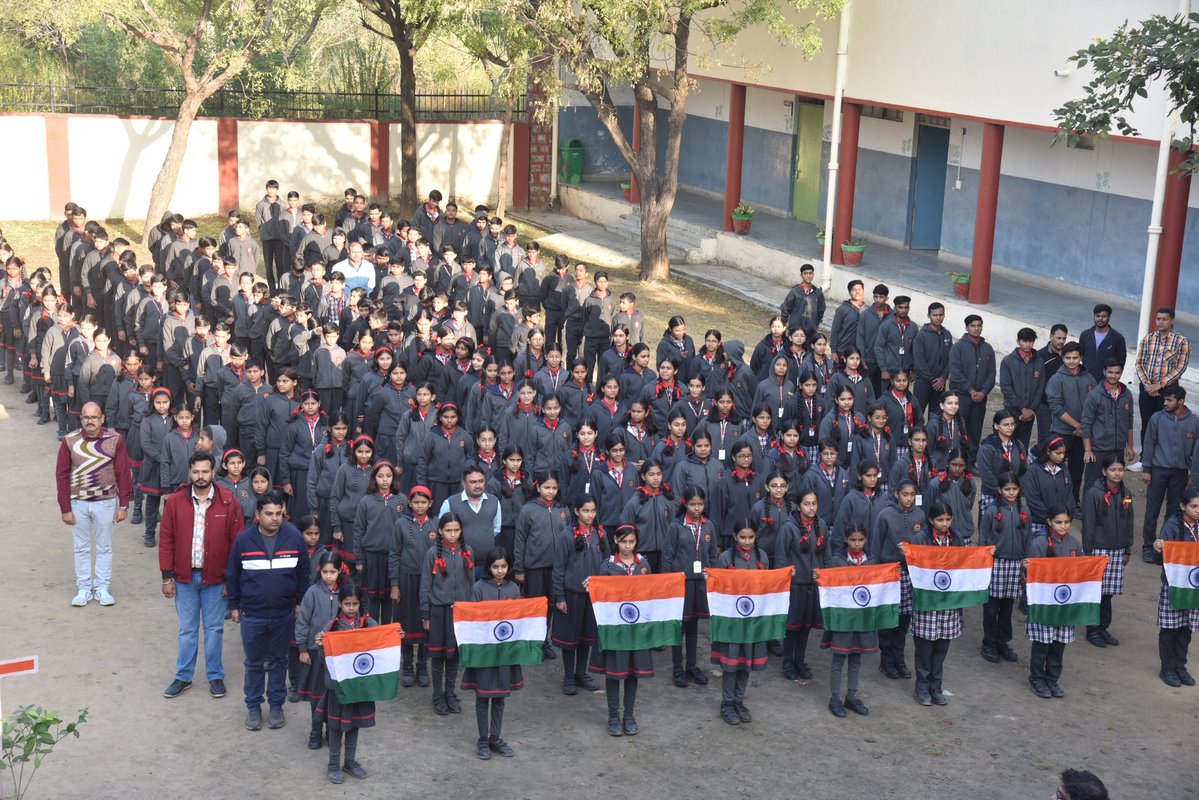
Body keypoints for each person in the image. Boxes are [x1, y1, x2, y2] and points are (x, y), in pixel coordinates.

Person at [159, 450, 245, 699]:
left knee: (214, 629)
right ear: (189, 472)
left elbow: (237, 544)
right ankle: (184, 676)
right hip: (184, 578)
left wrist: (232, 581)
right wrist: (167, 577)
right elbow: (166, 540)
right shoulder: (175, 502)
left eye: (205, 471)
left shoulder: (228, 502)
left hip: (217, 580)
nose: (200, 476)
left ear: (214, 472)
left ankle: (215, 675)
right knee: (187, 630)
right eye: (195, 471)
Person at [226, 491, 310, 731]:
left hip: (284, 614)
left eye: (279, 513)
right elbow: (233, 575)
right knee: (253, 663)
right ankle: (253, 707)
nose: (275, 518)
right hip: (252, 614)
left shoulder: (294, 537)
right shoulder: (243, 540)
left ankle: (276, 706)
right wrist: (234, 605)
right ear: (258, 514)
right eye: (269, 514)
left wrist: (300, 602)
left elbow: (303, 573)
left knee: (278, 662)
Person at [901, 502, 982, 706]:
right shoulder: (921, 539)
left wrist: (985, 555)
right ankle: (921, 687)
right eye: (940, 520)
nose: (944, 524)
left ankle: (936, 686)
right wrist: (907, 555)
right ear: (931, 520)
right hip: (927, 603)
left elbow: (965, 565)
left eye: (947, 519)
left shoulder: (956, 539)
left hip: (948, 604)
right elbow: (911, 569)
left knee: (941, 647)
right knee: (924, 648)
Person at [55, 401, 132, 607]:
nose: (90, 421)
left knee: (104, 547)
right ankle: (84, 588)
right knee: (81, 548)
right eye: (86, 417)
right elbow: (61, 475)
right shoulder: (69, 441)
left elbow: (123, 472)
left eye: (94, 417)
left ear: (102, 419)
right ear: (81, 419)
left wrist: (124, 504)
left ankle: (102, 588)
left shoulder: (115, 439)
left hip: (106, 502)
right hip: (78, 503)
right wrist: (65, 508)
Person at [589, 524, 653, 736]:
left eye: (631, 542)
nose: (627, 546)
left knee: (633, 673)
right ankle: (613, 716)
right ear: (616, 541)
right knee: (614, 673)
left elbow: (652, 592)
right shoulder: (607, 566)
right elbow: (600, 597)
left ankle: (629, 716)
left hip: (636, 630)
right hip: (615, 630)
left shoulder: (643, 564)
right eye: (623, 541)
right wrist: (592, 587)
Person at [314, 584, 379, 784]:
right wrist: (320, 646)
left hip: (359, 688)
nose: (351, 608)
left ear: (360, 604)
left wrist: (395, 636)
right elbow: (323, 658)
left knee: (353, 725)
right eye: (347, 604)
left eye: (355, 604)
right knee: (335, 727)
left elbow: (381, 644)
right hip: (338, 688)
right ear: (340, 604)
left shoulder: (369, 624)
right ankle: (333, 765)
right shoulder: (331, 627)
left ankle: (350, 762)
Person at [462, 547, 522, 759]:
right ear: (488, 567)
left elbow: (519, 619)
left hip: (504, 654)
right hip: (484, 654)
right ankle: (482, 739)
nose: (500, 570)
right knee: (482, 697)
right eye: (495, 567)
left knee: (500, 697)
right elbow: (472, 619)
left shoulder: (514, 589)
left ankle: (495, 737)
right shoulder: (478, 588)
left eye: (504, 566)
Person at [713, 520, 773, 725]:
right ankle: (727, 703)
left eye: (751, 537)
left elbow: (768, 586)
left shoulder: (762, 557)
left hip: (752, 622)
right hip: (732, 621)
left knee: (746, 662)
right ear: (734, 537)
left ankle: (739, 701)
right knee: (731, 664)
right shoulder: (725, 558)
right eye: (742, 537)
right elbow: (718, 589)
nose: (747, 542)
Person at [420, 512, 475, 716]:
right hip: (438, 611)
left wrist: (470, 610)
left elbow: (471, 583)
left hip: (460, 612)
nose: (452, 534)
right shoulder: (432, 554)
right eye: (448, 530)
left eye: (456, 530)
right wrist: (425, 614)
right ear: (440, 531)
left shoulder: (467, 551)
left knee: (454, 656)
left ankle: (450, 693)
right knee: (438, 656)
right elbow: (425, 585)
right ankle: (437, 695)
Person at [1026, 505, 1083, 699]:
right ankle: (1037, 678)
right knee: (1042, 644)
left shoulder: (1075, 544)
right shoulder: (1039, 544)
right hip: (1045, 603)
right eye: (1058, 522)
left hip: (1065, 605)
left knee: (1059, 644)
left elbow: (1082, 571)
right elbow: (1029, 576)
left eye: (1067, 522)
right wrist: (1027, 568)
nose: (1063, 526)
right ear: (1049, 522)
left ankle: (1052, 679)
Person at [1140, 384, 1199, 563]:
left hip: (1180, 473)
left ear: (1181, 401)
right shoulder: (1157, 418)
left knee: (1174, 511)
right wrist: (1147, 469)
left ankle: (1167, 547)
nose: (1165, 403)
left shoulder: (1194, 421)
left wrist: (1192, 474)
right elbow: (1149, 444)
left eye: (1169, 400)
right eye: (1165, 399)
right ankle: (1148, 547)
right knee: (1152, 511)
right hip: (1158, 470)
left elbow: (1196, 452)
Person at [552, 497, 604, 695]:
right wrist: (559, 597)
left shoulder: (599, 533)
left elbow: (606, 561)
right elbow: (558, 568)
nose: (590, 515)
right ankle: (568, 676)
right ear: (576, 511)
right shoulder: (567, 536)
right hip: (571, 594)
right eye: (585, 511)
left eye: (593, 511)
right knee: (570, 638)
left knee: (586, 636)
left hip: (593, 596)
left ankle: (581, 673)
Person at [668, 487, 719, 687]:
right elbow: (667, 556)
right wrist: (668, 582)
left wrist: (713, 575)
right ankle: (677, 668)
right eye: (692, 504)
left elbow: (713, 554)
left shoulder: (709, 526)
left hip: (700, 583)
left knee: (693, 625)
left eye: (700, 504)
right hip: (681, 583)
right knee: (678, 626)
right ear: (685, 504)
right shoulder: (676, 526)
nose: (696, 508)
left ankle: (691, 666)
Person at [823, 524, 875, 718]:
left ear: (866, 539)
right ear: (846, 540)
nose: (857, 544)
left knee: (856, 658)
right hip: (843, 620)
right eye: (853, 540)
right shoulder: (837, 561)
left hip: (862, 619)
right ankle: (835, 699)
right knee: (838, 659)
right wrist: (820, 577)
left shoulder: (872, 561)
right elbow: (828, 587)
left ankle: (851, 697)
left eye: (861, 540)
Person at [1081, 455, 1133, 649]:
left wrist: (1127, 548)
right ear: (1104, 472)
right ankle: (1092, 630)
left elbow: (1129, 521)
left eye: (1120, 470)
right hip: (1099, 549)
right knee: (1096, 592)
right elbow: (1088, 524)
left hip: (1118, 550)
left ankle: (1103, 628)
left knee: (1108, 592)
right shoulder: (1094, 493)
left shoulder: (1126, 493)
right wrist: (1088, 552)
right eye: (1113, 470)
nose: (1117, 473)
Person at [294, 550, 344, 749]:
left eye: (333, 572)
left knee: (334, 695)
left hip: (338, 654)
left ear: (340, 571)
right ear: (319, 571)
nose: (328, 576)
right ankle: (315, 730)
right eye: (325, 572)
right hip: (316, 652)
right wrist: (303, 649)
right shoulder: (312, 592)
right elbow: (303, 622)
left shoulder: (345, 594)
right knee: (316, 695)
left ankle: (332, 730)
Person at [978, 472, 1029, 664]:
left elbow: (1028, 538)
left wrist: (1026, 560)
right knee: (991, 607)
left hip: (1015, 564)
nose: (1011, 493)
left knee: (1007, 608)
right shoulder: (991, 511)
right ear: (1000, 490)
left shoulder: (1025, 511)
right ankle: (989, 643)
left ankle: (1003, 642)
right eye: (1007, 489)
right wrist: (983, 561)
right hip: (995, 564)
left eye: (1014, 489)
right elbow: (983, 537)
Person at [1153, 488, 1199, 687]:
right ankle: (1167, 668)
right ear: (1182, 506)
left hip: (1194, 586)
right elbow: (1160, 560)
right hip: (1174, 585)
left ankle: (1180, 667)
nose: (1198, 510)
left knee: (1186, 628)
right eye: (1194, 506)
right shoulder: (1171, 526)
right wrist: (1159, 549)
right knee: (1170, 628)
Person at [1134, 306, 1191, 463]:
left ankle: (1161, 460)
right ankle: (1144, 459)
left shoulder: (1181, 341)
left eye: (1164, 319)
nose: (1160, 322)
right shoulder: (1148, 339)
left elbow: (1180, 367)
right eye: (1158, 319)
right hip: (1147, 388)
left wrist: (1160, 385)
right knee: (1147, 423)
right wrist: (1148, 385)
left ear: (1172, 321)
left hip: (1168, 391)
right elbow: (1139, 363)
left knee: (1166, 424)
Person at [948, 314, 995, 466]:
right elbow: (955, 373)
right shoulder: (958, 347)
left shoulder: (988, 348)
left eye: (979, 325)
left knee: (975, 431)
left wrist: (983, 392)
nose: (976, 329)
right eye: (973, 326)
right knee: (960, 430)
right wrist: (971, 390)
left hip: (981, 397)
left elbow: (991, 374)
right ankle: (958, 461)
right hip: (962, 396)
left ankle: (971, 462)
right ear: (966, 327)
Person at [999, 327, 1047, 450]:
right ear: (1018, 341)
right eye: (1024, 341)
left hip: (1030, 413)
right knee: (1007, 443)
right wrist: (1022, 408)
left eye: (1030, 341)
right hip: (1012, 410)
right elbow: (1006, 387)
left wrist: (1032, 410)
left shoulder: (1039, 362)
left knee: (1023, 446)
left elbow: (1040, 388)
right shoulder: (1008, 361)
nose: (1027, 344)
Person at [912, 302, 953, 415]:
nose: (938, 318)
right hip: (923, 382)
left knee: (937, 415)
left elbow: (950, 359)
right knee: (917, 414)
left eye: (941, 315)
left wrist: (943, 377)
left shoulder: (947, 335)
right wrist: (932, 380)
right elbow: (919, 362)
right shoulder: (921, 336)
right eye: (935, 315)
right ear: (929, 315)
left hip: (940, 384)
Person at [1078, 304, 1127, 385]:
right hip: (1086, 380)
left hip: (1106, 383)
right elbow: (1081, 356)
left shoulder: (1118, 338)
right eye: (1098, 316)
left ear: (1109, 318)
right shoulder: (1085, 335)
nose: (1100, 319)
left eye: (1104, 316)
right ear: (1094, 317)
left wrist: (1113, 378)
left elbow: (1121, 361)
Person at [778, 263, 825, 335]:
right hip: (795, 330)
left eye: (810, 273)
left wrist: (815, 324)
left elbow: (821, 310)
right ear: (801, 275)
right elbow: (785, 309)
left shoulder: (818, 293)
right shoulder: (794, 292)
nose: (808, 276)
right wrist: (783, 325)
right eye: (805, 273)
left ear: (813, 275)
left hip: (811, 331)